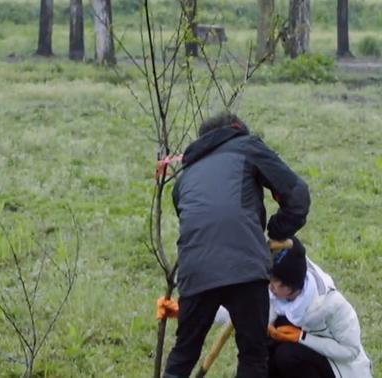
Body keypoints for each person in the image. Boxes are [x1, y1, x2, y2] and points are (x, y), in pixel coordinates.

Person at [157, 112, 311, 378]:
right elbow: (297, 194)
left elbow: (194, 223)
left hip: (196, 272)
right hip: (246, 268)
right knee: (253, 356)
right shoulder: (248, 147)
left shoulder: (183, 179)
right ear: (237, 130)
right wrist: (277, 230)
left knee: (183, 355)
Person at [268, 237, 373, 378]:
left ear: (289, 287)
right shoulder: (280, 292)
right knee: (264, 346)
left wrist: (301, 337)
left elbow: (350, 351)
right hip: (307, 354)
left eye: (274, 284)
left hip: (339, 368)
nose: (270, 287)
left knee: (287, 355)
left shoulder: (331, 304)